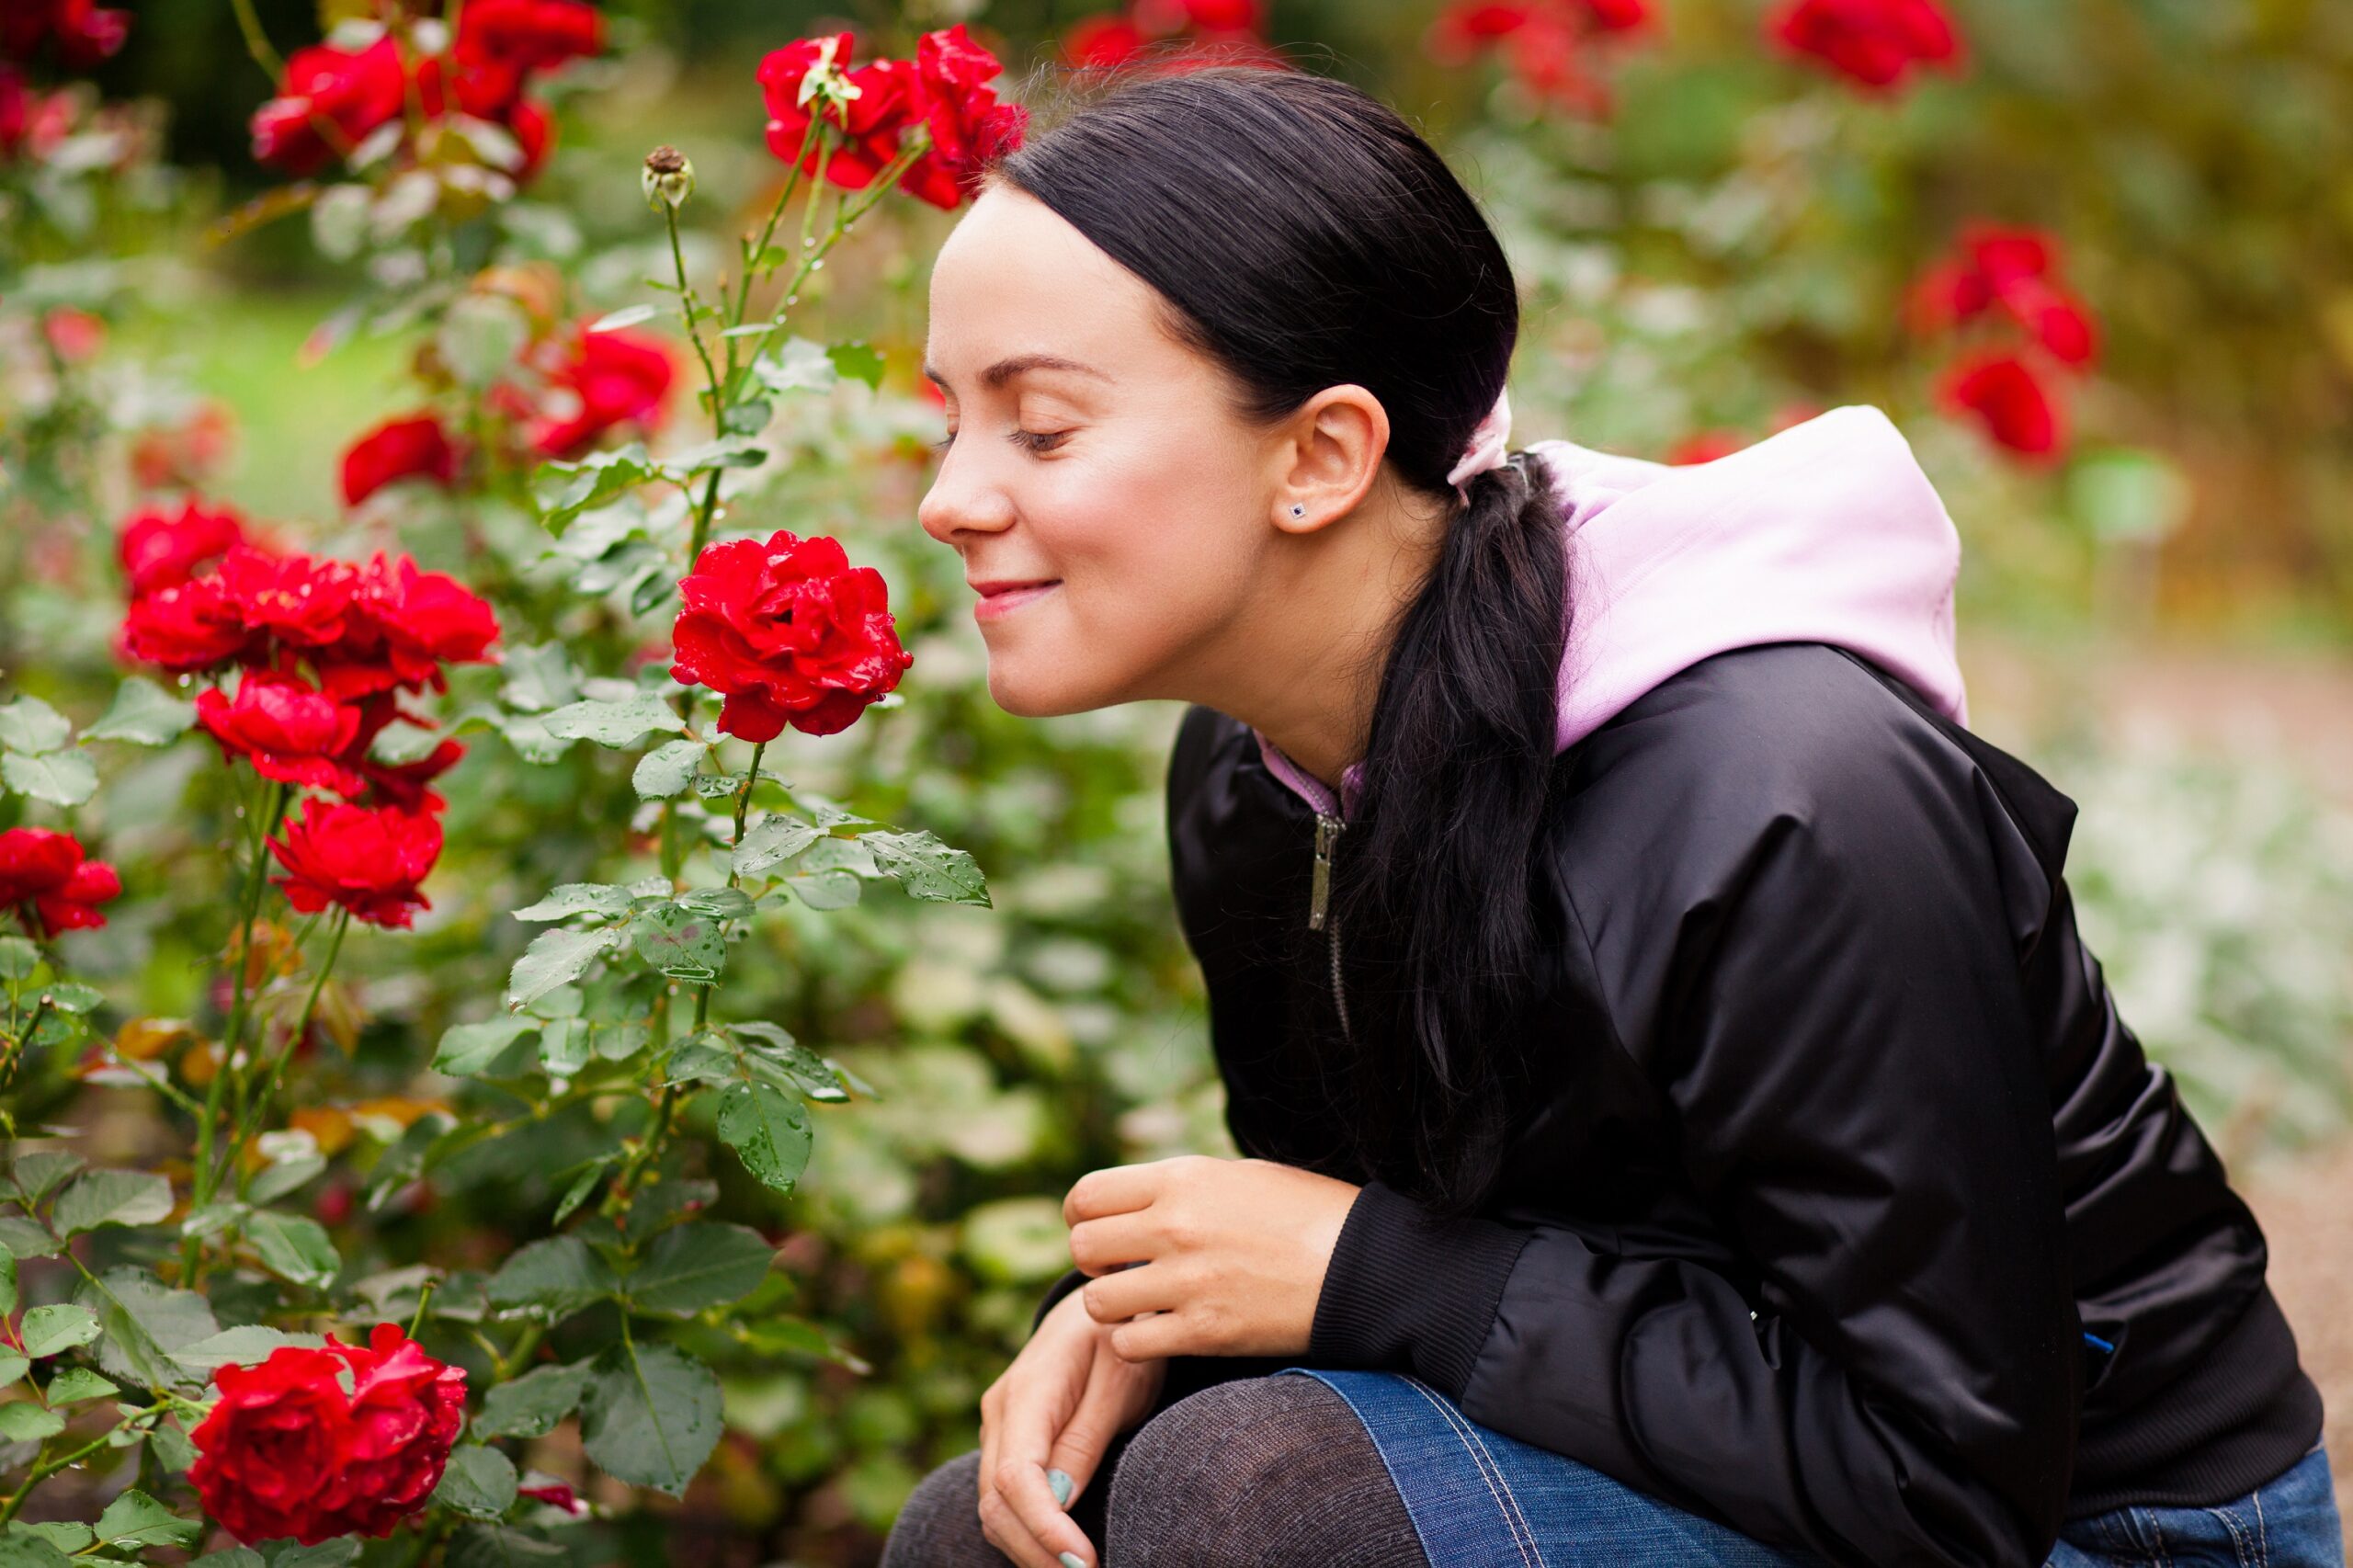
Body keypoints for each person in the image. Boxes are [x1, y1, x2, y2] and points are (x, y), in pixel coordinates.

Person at [881, 62, 2341, 1568]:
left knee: (1266, 1504)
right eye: (952, 422)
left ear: (1320, 455)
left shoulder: (1779, 791)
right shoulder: (1257, 782)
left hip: (2106, 1526)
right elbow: (1424, 1266)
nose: (949, 499)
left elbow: (1947, 1480)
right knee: (987, 1538)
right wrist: (1160, 1320)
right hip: (1716, 1446)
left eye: (1041, 429)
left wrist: (1361, 1272)